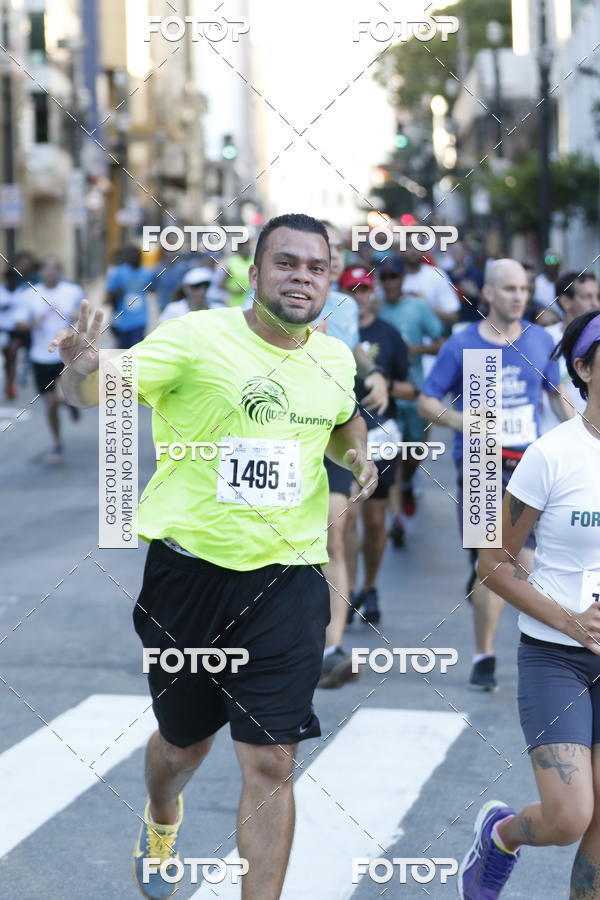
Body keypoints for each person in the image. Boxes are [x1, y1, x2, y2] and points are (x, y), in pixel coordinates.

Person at [52, 213, 378, 900]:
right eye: (286, 263)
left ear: (330, 282)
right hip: (188, 580)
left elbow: (342, 416)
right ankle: (164, 811)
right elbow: (110, 382)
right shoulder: (196, 338)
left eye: (316, 268)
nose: (301, 277)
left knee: (270, 762)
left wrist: (362, 454)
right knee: (182, 749)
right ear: (254, 273)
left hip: (287, 583)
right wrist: (86, 365)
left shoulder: (334, 357)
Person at [457, 309, 600, 899]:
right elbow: (492, 565)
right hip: (556, 657)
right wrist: (569, 619)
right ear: (585, 368)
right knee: (569, 818)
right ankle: (500, 835)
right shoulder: (552, 455)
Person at [419, 259, 570, 691]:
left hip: (528, 463)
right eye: (508, 289)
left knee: (523, 561)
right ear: (487, 293)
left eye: (523, 288)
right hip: (482, 464)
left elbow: (556, 394)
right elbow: (428, 401)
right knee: (496, 563)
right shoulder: (462, 344)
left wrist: (583, 433)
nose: (518, 296)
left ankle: (547, 649)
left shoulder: (541, 340)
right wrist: (466, 422)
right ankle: (484, 654)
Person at [317, 221, 388, 688]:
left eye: (331, 255)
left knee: (333, 531)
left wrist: (376, 372)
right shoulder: (255, 302)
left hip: (333, 425)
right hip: (276, 431)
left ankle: (330, 647)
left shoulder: (342, 305)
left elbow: (356, 351)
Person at [340, 265, 415, 624]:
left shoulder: (389, 334)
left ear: (373, 293)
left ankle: (369, 587)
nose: (359, 296)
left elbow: (409, 387)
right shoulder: (332, 332)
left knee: (374, 521)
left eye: (364, 289)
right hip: (341, 436)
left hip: (383, 433)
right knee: (347, 517)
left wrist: (380, 382)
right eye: (350, 290)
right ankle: (349, 589)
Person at [377, 256, 444, 539]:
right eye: (385, 278)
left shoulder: (418, 307)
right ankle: (397, 518)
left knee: (415, 449)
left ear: (403, 279)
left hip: (414, 389)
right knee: (391, 453)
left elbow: (441, 343)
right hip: (387, 393)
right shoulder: (376, 309)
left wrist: (412, 349)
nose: (390, 282)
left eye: (394, 277)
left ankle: (406, 483)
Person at [15, 258, 84, 462]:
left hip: (65, 355)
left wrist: (76, 316)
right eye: (47, 270)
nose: (51, 274)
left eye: (54, 270)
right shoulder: (29, 295)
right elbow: (20, 324)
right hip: (40, 357)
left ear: (60, 272)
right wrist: (38, 320)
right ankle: (57, 443)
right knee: (51, 405)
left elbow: (84, 314)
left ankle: (70, 402)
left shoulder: (72, 291)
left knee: (62, 397)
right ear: (42, 272)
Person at [540, 272, 600, 433]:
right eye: (586, 297)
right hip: (553, 435)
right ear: (565, 301)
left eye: (597, 296)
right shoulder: (543, 339)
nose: (595, 303)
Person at [105, 245, 156, 349]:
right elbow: (109, 294)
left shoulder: (147, 273)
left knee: (136, 349)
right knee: (123, 350)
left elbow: (153, 288)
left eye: (137, 255)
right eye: (131, 255)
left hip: (140, 318)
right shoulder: (119, 272)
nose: (135, 258)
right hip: (123, 319)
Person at [400, 240, 461, 326]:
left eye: (418, 246)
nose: (414, 251)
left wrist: (427, 307)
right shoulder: (390, 277)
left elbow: (454, 317)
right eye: (409, 246)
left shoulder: (437, 274)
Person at [0, 267, 27, 399]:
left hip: (16, 330)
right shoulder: (1, 291)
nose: (12, 282)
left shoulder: (20, 293)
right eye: (10, 279)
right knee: (7, 359)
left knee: (13, 354)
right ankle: (8, 382)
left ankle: (11, 385)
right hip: (3, 329)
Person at [533, 248, 561, 323]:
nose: (552, 265)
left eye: (554, 260)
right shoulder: (537, 283)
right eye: (548, 261)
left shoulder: (564, 280)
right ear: (544, 265)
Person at [225, 239, 253, 306]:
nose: (246, 248)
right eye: (243, 246)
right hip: (236, 305)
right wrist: (234, 291)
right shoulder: (232, 263)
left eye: (248, 245)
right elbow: (221, 285)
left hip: (251, 304)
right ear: (239, 249)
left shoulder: (254, 261)